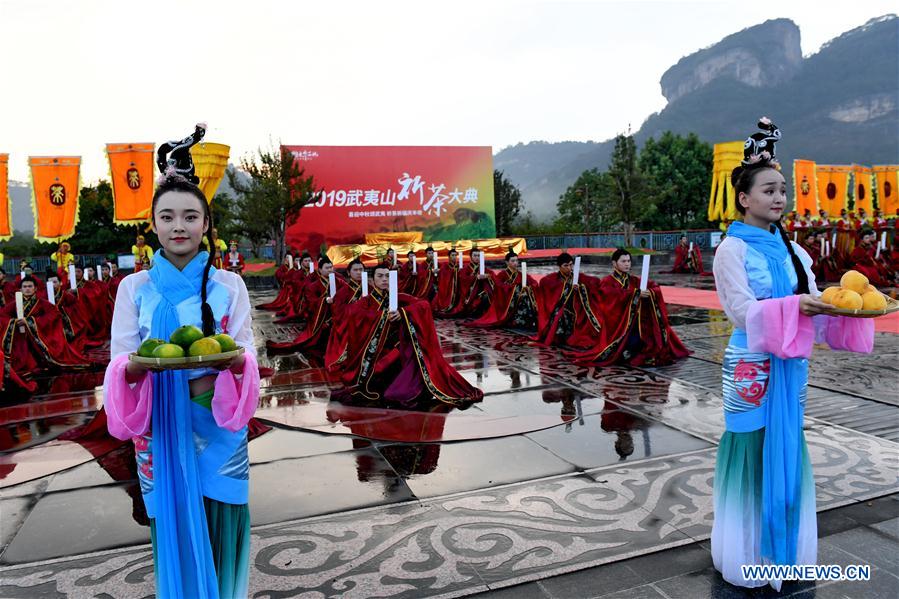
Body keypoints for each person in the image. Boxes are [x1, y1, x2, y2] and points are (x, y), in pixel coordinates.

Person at [710, 118, 874, 590]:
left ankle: (782, 551)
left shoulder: (794, 252)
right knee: (749, 447)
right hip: (751, 365)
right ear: (744, 198)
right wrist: (794, 306)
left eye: (783, 190)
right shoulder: (732, 250)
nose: (780, 198)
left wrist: (850, 306)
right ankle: (746, 555)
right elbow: (742, 312)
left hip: (791, 364)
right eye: (768, 190)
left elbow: (816, 301)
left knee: (787, 446)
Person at [103, 154, 259, 598]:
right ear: (153, 224)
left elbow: (246, 349)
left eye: (190, 216)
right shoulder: (133, 288)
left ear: (206, 222)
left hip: (216, 420)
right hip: (160, 426)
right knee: (170, 518)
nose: (179, 226)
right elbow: (120, 360)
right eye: (167, 216)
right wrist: (136, 367)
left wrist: (234, 363)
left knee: (223, 516)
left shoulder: (229, 285)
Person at [327, 263, 483, 409]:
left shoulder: (398, 298)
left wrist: (403, 313)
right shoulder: (365, 302)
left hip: (397, 351)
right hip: (376, 354)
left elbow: (424, 305)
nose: (384, 280)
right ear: (372, 281)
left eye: (387, 276)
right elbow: (356, 316)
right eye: (380, 276)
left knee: (415, 354)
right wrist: (382, 316)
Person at [565, 249, 689, 366]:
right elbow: (610, 299)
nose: (627, 264)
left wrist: (650, 292)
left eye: (629, 261)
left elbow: (654, 286)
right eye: (623, 261)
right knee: (629, 345)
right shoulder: (607, 281)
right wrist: (635, 294)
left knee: (651, 336)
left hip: (636, 323)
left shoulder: (634, 280)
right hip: (618, 328)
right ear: (614, 263)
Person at [0, 275, 94, 376]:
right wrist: (14, 322)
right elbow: (2, 316)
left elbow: (54, 314)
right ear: (20, 289)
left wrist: (29, 322)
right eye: (25, 286)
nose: (27, 289)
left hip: (39, 339)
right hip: (21, 339)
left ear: (35, 288)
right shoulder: (14, 304)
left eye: (30, 286)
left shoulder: (43, 303)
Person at [266, 257, 342, 356]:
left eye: (331, 267)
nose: (330, 270)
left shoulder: (339, 281)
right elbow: (311, 303)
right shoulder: (313, 284)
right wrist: (325, 300)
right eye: (327, 268)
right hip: (320, 316)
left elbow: (345, 294)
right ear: (319, 270)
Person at [467, 250, 538, 331]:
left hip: (517, 297)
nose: (515, 263)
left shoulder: (521, 274)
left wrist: (528, 288)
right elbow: (498, 286)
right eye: (512, 261)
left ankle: (527, 320)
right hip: (505, 300)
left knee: (526, 295)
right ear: (507, 263)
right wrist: (515, 288)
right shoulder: (502, 275)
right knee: (522, 294)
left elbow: (534, 283)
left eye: (516, 261)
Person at [531, 253, 578, 346]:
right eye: (566, 265)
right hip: (559, 308)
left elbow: (592, 284)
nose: (569, 268)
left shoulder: (577, 278)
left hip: (576, 308)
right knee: (559, 314)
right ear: (559, 266)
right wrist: (568, 287)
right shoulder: (552, 279)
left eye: (571, 265)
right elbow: (545, 288)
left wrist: (580, 288)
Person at [432, 248, 462, 315]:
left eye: (455, 255)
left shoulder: (459, 266)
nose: (454, 257)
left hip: (456, 287)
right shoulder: (445, 265)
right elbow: (443, 275)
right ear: (449, 257)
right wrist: (455, 271)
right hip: (447, 288)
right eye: (452, 255)